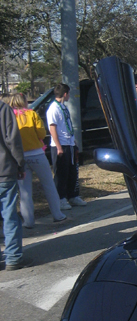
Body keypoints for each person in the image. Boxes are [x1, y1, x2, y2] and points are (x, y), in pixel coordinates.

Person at [4, 93, 66, 227]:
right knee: (48, 184)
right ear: (24, 102)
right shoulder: (32, 114)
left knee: (24, 191)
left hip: (19, 157)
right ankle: (57, 214)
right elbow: (42, 133)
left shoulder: (10, 117)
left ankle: (28, 221)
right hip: (37, 154)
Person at [46, 83, 86, 209]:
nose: (69, 96)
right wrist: (58, 147)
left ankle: (73, 196)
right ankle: (60, 198)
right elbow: (53, 128)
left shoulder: (63, 107)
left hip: (69, 143)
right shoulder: (53, 108)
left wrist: (73, 141)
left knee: (72, 171)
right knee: (61, 173)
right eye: (68, 93)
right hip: (60, 144)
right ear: (65, 94)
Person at [0, 99, 28, 271]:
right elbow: (12, 139)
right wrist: (20, 163)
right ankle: (13, 257)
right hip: (4, 169)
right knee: (9, 214)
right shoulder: (3, 108)